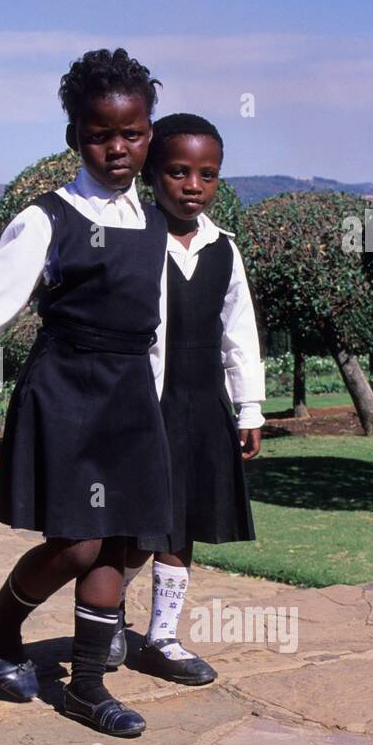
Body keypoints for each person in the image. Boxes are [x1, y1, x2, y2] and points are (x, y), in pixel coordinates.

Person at [0, 49, 172, 737]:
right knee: (81, 543)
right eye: (100, 134)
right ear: (74, 138)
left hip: (131, 396)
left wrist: (161, 401)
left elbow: (156, 324)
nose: (117, 148)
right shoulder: (48, 218)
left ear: (149, 131)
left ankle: (85, 687)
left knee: (117, 542)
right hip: (69, 392)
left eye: (132, 133)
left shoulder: (155, 222)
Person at [117, 113, 264, 683]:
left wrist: (249, 408)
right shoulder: (136, 239)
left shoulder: (223, 248)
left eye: (207, 174)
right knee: (135, 527)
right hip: (141, 406)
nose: (192, 185)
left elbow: (240, 334)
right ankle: (104, 623)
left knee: (185, 524)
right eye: (178, 172)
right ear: (153, 174)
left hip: (202, 407)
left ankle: (162, 637)